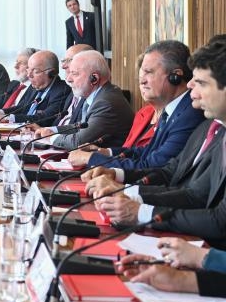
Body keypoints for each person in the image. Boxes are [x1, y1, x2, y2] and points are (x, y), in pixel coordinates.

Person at [90, 40, 226, 243]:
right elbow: (185, 185)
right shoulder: (210, 125)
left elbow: (219, 220)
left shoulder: (197, 118)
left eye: (201, 83)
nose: (190, 88)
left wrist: (141, 212)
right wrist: (124, 187)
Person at [67, 40, 203, 170]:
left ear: (176, 76)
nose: (142, 81)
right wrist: (105, 152)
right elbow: (146, 152)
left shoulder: (190, 113)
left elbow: (153, 165)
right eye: (141, 75)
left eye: (149, 72)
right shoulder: (172, 109)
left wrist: (91, 159)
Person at [35, 50, 133, 149]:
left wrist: (50, 138)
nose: (68, 79)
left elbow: (78, 142)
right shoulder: (99, 95)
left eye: (75, 74)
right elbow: (80, 127)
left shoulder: (106, 103)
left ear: (94, 78)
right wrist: (51, 130)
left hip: (107, 162)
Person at [0, 50, 71, 125]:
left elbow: (44, 119)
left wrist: (5, 118)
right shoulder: (34, 86)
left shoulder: (62, 91)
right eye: (28, 69)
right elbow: (21, 108)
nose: (29, 75)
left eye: (35, 71)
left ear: (52, 73)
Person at [0, 47, 36, 111]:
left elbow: (22, 110)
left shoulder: (36, 88)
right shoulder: (14, 84)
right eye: (16, 62)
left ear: (31, 67)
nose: (15, 66)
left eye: (21, 63)